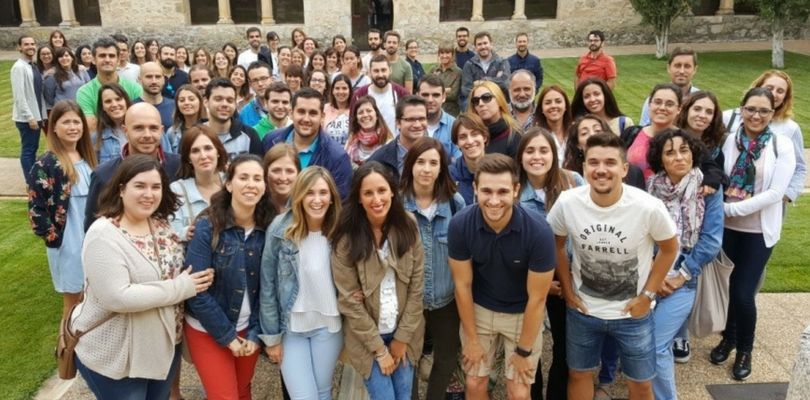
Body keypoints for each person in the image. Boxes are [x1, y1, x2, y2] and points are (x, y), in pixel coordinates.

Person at [546, 132, 679, 400]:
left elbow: (669, 249)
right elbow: (556, 244)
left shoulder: (648, 207)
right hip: (583, 311)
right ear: (584, 167)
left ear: (624, 168)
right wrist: (568, 291)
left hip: (633, 315)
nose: (601, 170)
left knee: (641, 383)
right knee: (579, 374)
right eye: (594, 162)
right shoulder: (567, 203)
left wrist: (647, 295)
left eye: (610, 162)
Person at [73, 154, 213, 399]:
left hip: (163, 345)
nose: (149, 194)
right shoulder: (103, 234)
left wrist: (187, 237)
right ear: (121, 189)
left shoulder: (160, 224)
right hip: (119, 355)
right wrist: (182, 287)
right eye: (140, 186)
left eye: (156, 187)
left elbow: (164, 263)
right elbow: (118, 297)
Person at [448, 153, 556, 400]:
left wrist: (524, 351)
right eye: (487, 191)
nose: (494, 200)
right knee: (474, 382)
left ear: (516, 190)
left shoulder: (538, 232)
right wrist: (471, 340)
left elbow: (537, 299)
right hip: (480, 307)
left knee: (518, 391)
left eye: (503, 192)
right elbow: (462, 285)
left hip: (522, 311)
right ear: (475, 189)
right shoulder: (460, 225)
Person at [711, 87, 796, 381]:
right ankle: (729, 338)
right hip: (726, 229)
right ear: (742, 109)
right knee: (728, 288)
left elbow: (775, 192)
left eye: (763, 111)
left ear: (773, 113)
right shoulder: (728, 140)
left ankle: (745, 350)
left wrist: (730, 209)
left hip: (758, 231)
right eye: (750, 109)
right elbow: (717, 175)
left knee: (743, 292)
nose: (756, 116)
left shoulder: (781, 145)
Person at [332, 161, 425, 400]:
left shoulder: (409, 225)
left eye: (382, 190)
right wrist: (379, 350)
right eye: (368, 193)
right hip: (367, 339)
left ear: (392, 191)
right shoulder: (346, 237)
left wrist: (402, 338)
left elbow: (417, 287)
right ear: (358, 198)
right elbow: (349, 301)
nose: (377, 199)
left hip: (404, 332)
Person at [184, 154, 274, 399]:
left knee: (242, 391)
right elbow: (196, 291)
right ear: (229, 183)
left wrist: (255, 333)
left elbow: (269, 289)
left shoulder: (269, 229)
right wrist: (227, 337)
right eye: (243, 177)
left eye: (257, 178)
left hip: (248, 328)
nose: (251, 184)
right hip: (208, 328)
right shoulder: (207, 226)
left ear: (264, 186)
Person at [646, 129, 723, 399]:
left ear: (694, 153)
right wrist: (653, 275)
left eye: (684, 150)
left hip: (685, 278)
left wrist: (680, 276)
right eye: (670, 152)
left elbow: (711, 241)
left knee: (656, 345)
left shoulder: (708, 189)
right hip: (650, 275)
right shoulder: (650, 188)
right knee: (645, 343)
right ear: (660, 159)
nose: (679, 157)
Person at [259, 167, 344, 400]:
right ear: (299, 196)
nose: (317, 200)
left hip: (329, 326)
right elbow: (268, 285)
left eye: (323, 193)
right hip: (291, 329)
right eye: (309, 193)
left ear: (331, 197)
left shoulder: (341, 230)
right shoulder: (280, 229)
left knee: (323, 393)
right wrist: (272, 338)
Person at [515, 128, 585, 400]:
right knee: (528, 345)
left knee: (565, 346)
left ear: (554, 155)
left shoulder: (573, 181)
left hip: (566, 272)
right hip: (526, 276)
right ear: (520, 156)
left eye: (544, 150)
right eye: (530, 151)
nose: (537, 157)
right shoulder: (514, 188)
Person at [400, 137, 466, 400]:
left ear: (441, 168)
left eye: (433, 163)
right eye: (420, 162)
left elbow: (465, 253)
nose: (426, 169)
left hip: (446, 299)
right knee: (409, 358)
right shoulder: (396, 204)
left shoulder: (455, 203)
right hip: (409, 300)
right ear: (410, 165)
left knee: (447, 358)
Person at [28, 100, 98, 323]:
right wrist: (54, 238)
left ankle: (86, 344)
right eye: (66, 122)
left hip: (93, 240)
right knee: (73, 305)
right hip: (68, 243)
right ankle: (66, 344)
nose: (72, 127)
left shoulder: (89, 160)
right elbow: (36, 210)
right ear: (54, 128)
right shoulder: (45, 165)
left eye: (76, 122)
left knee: (94, 300)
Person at [84, 103, 182, 230]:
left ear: (161, 130)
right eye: (139, 128)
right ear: (125, 131)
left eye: (153, 128)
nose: (147, 135)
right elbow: (92, 227)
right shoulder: (104, 175)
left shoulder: (179, 167)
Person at [723, 70, 806, 206]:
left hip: (768, 206)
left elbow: (799, 168)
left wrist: (785, 195)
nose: (774, 93)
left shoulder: (790, 128)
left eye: (780, 91)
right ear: (758, 87)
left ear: (785, 97)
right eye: (769, 87)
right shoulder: (729, 118)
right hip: (725, 201)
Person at [262, 88, 353, 198]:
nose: (306, 119)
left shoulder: (337, 157)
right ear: (291, 113)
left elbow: (341, 201)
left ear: (322, 117)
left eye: (313, 113)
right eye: (301, 112)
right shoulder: (271, 140)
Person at [169, 125, 227, 241]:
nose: (203, 156)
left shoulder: (231, 183)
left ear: (218, 151)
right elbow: (170, 233)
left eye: (208, 148)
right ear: (188, 158)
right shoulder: (177, 190)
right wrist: (185, 233)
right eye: (195, 151)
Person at [563, 114, 647, 192]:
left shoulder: (633, 173)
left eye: (597, 130)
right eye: (584, 133)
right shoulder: (569, 175)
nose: (592, 134)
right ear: (577, 144)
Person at [76, 37, 143, 130]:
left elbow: (139, 121)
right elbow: (91, 127)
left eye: (111, 56)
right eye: (102, 56)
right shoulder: (84, 92)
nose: (107, 60)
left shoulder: (135, 88)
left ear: (118, 60)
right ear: (93, 60)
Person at [622, 83, 683, 180]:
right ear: (650, 105)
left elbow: (705, 169)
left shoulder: (686, 140)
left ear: (679, 109)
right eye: (657, 102)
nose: (662, 108)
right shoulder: (631, 133)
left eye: (669, 104)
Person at [368, 95, 428, 182]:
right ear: (398, 123)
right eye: (411, 119)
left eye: (422, 119)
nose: (417, 125)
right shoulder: (378, 161)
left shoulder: (439, 155)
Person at [12, 35, 46, 186]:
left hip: (36, 115)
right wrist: (30, 117)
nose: (30, 46)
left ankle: (34, 180)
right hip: (27, 118)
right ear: (19, 47)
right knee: (28, 151)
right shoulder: (18, 68)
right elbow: (19, 96)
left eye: (32, 44)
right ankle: (31, 182)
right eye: (26, 44)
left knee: (33, 149)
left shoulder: (32, 65)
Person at [203, 78, 263, 159]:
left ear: (235, 104)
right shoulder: (194, 135)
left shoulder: (249, 135)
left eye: (230, 100)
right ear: (206, 102)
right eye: (218, 99)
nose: (224, 104)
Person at [639, 47, 699, 126]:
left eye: (687, 66)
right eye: (677, 66)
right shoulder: (655, 99)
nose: (682, 71)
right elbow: (643, 128)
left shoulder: (700, 100)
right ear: (669, 68)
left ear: (695, 69)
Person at [352, 55, 410, 134]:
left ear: (390, 70)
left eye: (383, 70)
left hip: (395, 141)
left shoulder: (402, 94)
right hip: (366, 141)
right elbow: (352, 125)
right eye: (376, 71)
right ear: (370, 72)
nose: (380, 75)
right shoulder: (359, 95)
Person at [467, 81, 521, 158]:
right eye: (476, 101)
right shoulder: (470, 136)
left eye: (486, 98)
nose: (480, 104)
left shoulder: (514, 135)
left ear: (499, 100)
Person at [459, 31, 511, 111]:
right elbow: (466, 90)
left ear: (491, 44)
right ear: (475, 47)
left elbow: (505, 84)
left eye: (485, 43)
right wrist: (495, 81)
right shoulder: (469, 65)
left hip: (499, 107)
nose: (483, 46)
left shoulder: (502, 62)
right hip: (477, 107)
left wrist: (482, 82)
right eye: (479, 44)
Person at [417, 75, 461, 160]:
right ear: (417, 96)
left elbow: (458, 160)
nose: (430, 100)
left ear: (444, 97)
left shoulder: (454, 125)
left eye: (436, 95)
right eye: (425, 95)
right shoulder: (408, 124)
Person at [449, 113, 489, 205]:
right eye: (463, 137)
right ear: (457, 144)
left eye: (474, 134)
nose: (470, 141)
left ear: (484, 137)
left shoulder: (499, 170)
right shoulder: (450, 175)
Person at [345, 96, 394, 168]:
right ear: (357, 119)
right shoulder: (351, 141)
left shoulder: (388, 143)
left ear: (377, 115)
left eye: (369, 111)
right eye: (360, 112)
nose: (365, 115)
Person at [94, 83, 132, 163]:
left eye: (118, 99)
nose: (114, 104)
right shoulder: (96, 139)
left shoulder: (144, 130)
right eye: (108, 101)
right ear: (103, 107)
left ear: (126, 101)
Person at [134, 62, 175, 133]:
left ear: (163, 79)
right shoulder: (132, 108)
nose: (154, 81)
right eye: (149, 77)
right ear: (139, 80)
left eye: (158, 77)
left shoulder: (175, 106)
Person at [164, 85, 205, 154]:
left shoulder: (210, 127)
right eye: (182, 100)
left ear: (200, 102)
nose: (186, 103)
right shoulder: (171, 132)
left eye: (191, 99)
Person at [535, 85, 574, 157]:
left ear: (565, 106)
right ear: (541, 109)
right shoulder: (535, 135)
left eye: (558, 101)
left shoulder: (575, 132)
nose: (553, 106)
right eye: (548, 103)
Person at [264, 143, 301, 214]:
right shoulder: (254, 206)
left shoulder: (305, 207)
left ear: (298, 174)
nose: (283, 178)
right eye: (276, 170)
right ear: (266, 173)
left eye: (289, 171)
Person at [429, 41, 462, 117]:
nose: (444, 56)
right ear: (439, 54)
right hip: (433, 109)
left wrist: (435, 90)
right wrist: (445, 90)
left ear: (452, 54)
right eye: (442, 53)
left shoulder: (458, 72)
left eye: (447, 53)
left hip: (450, 111)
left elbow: (453, 95)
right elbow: (427, 89)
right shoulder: (433, 70)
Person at [240, 62, 274, 127]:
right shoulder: (244, 113)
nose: (260, 84)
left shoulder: (286, 106)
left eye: (263, 78)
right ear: (250, 83)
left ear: (272, 79)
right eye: (255, 80)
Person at [323, 74, 352, 146]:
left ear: (350, 91)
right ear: (332, 91)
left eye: (344, 88)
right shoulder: (325, 109)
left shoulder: (355, 109)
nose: (341, 91)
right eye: (337, 88)